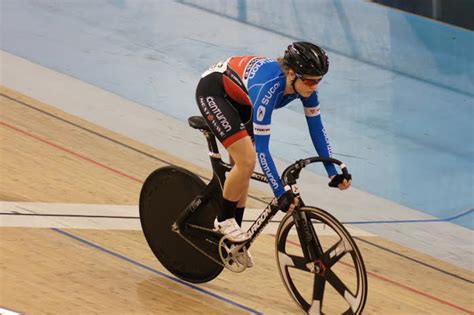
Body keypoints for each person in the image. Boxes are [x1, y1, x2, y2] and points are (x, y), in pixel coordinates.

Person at [195, 42, 352, 267]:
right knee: (246, 161)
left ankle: (232, 242)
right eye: (309, 80)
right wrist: (279, 192)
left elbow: (317, 129)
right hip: (215, 92)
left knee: (243, 172)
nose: (314, 86)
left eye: (319, 80)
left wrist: (331, 172)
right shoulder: (268, 88)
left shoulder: (304, 86)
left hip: (242, 101)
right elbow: (263, 150)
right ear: (291, 73)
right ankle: (223, 220)